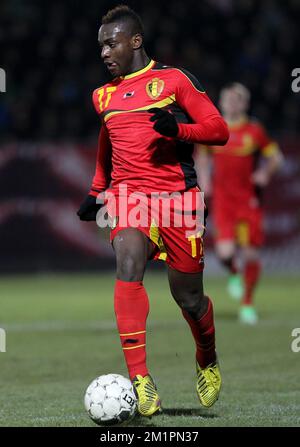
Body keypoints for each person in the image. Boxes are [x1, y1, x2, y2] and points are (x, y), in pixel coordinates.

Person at [77, 5, 229, 417]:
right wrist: (97, 191)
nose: (105, 53)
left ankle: (206, 355)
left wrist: (177, 128)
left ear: (135, 41)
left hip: (179, 200)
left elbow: (218, 129)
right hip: (129, 197)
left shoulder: (174, 81)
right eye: (101, 46)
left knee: (189, 297)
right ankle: (142, 381)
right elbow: (107, 141)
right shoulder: (103, 95)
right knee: (127, 263)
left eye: (111, 44)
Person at [194, 83, 283, 325]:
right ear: (221, 103)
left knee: (251, 254)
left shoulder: (254, 131)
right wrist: (204, 179)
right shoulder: (214, 129)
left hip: (248, 202)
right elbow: (202, 156)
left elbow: (275, 156)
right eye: (228, 99)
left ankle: (247, 304)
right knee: (225, 253)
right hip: (224, 203)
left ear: (244, 103)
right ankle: (234, 272)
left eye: (237, 100)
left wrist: (265, 173)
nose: (232, 104)